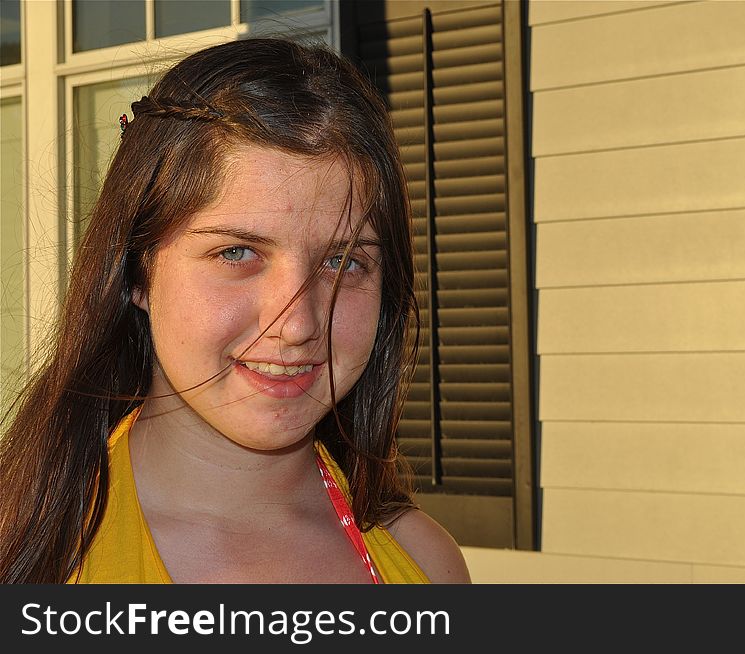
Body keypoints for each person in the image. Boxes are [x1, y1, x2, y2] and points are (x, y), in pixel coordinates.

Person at [0, 38, 470, 584]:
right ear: (136, 270)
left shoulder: (426, 565)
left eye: (343, 261)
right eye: (236, 253)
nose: (297, 324)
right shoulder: (28, 553)